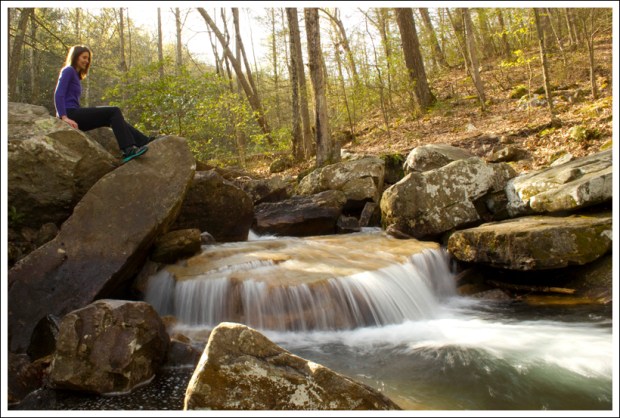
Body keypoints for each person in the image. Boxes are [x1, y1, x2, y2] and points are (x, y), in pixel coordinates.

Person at [54, 45, 151, 163]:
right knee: (114, 110)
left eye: (88, 58)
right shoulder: (68, 70)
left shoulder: (76, 75)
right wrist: (64, 117)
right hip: (70, 113)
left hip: (74, 113)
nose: (87, 61)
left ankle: (144, 140)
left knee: (112, 117)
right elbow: (58, 93)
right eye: (84, 57)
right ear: (75, 57)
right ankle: (128, 149)